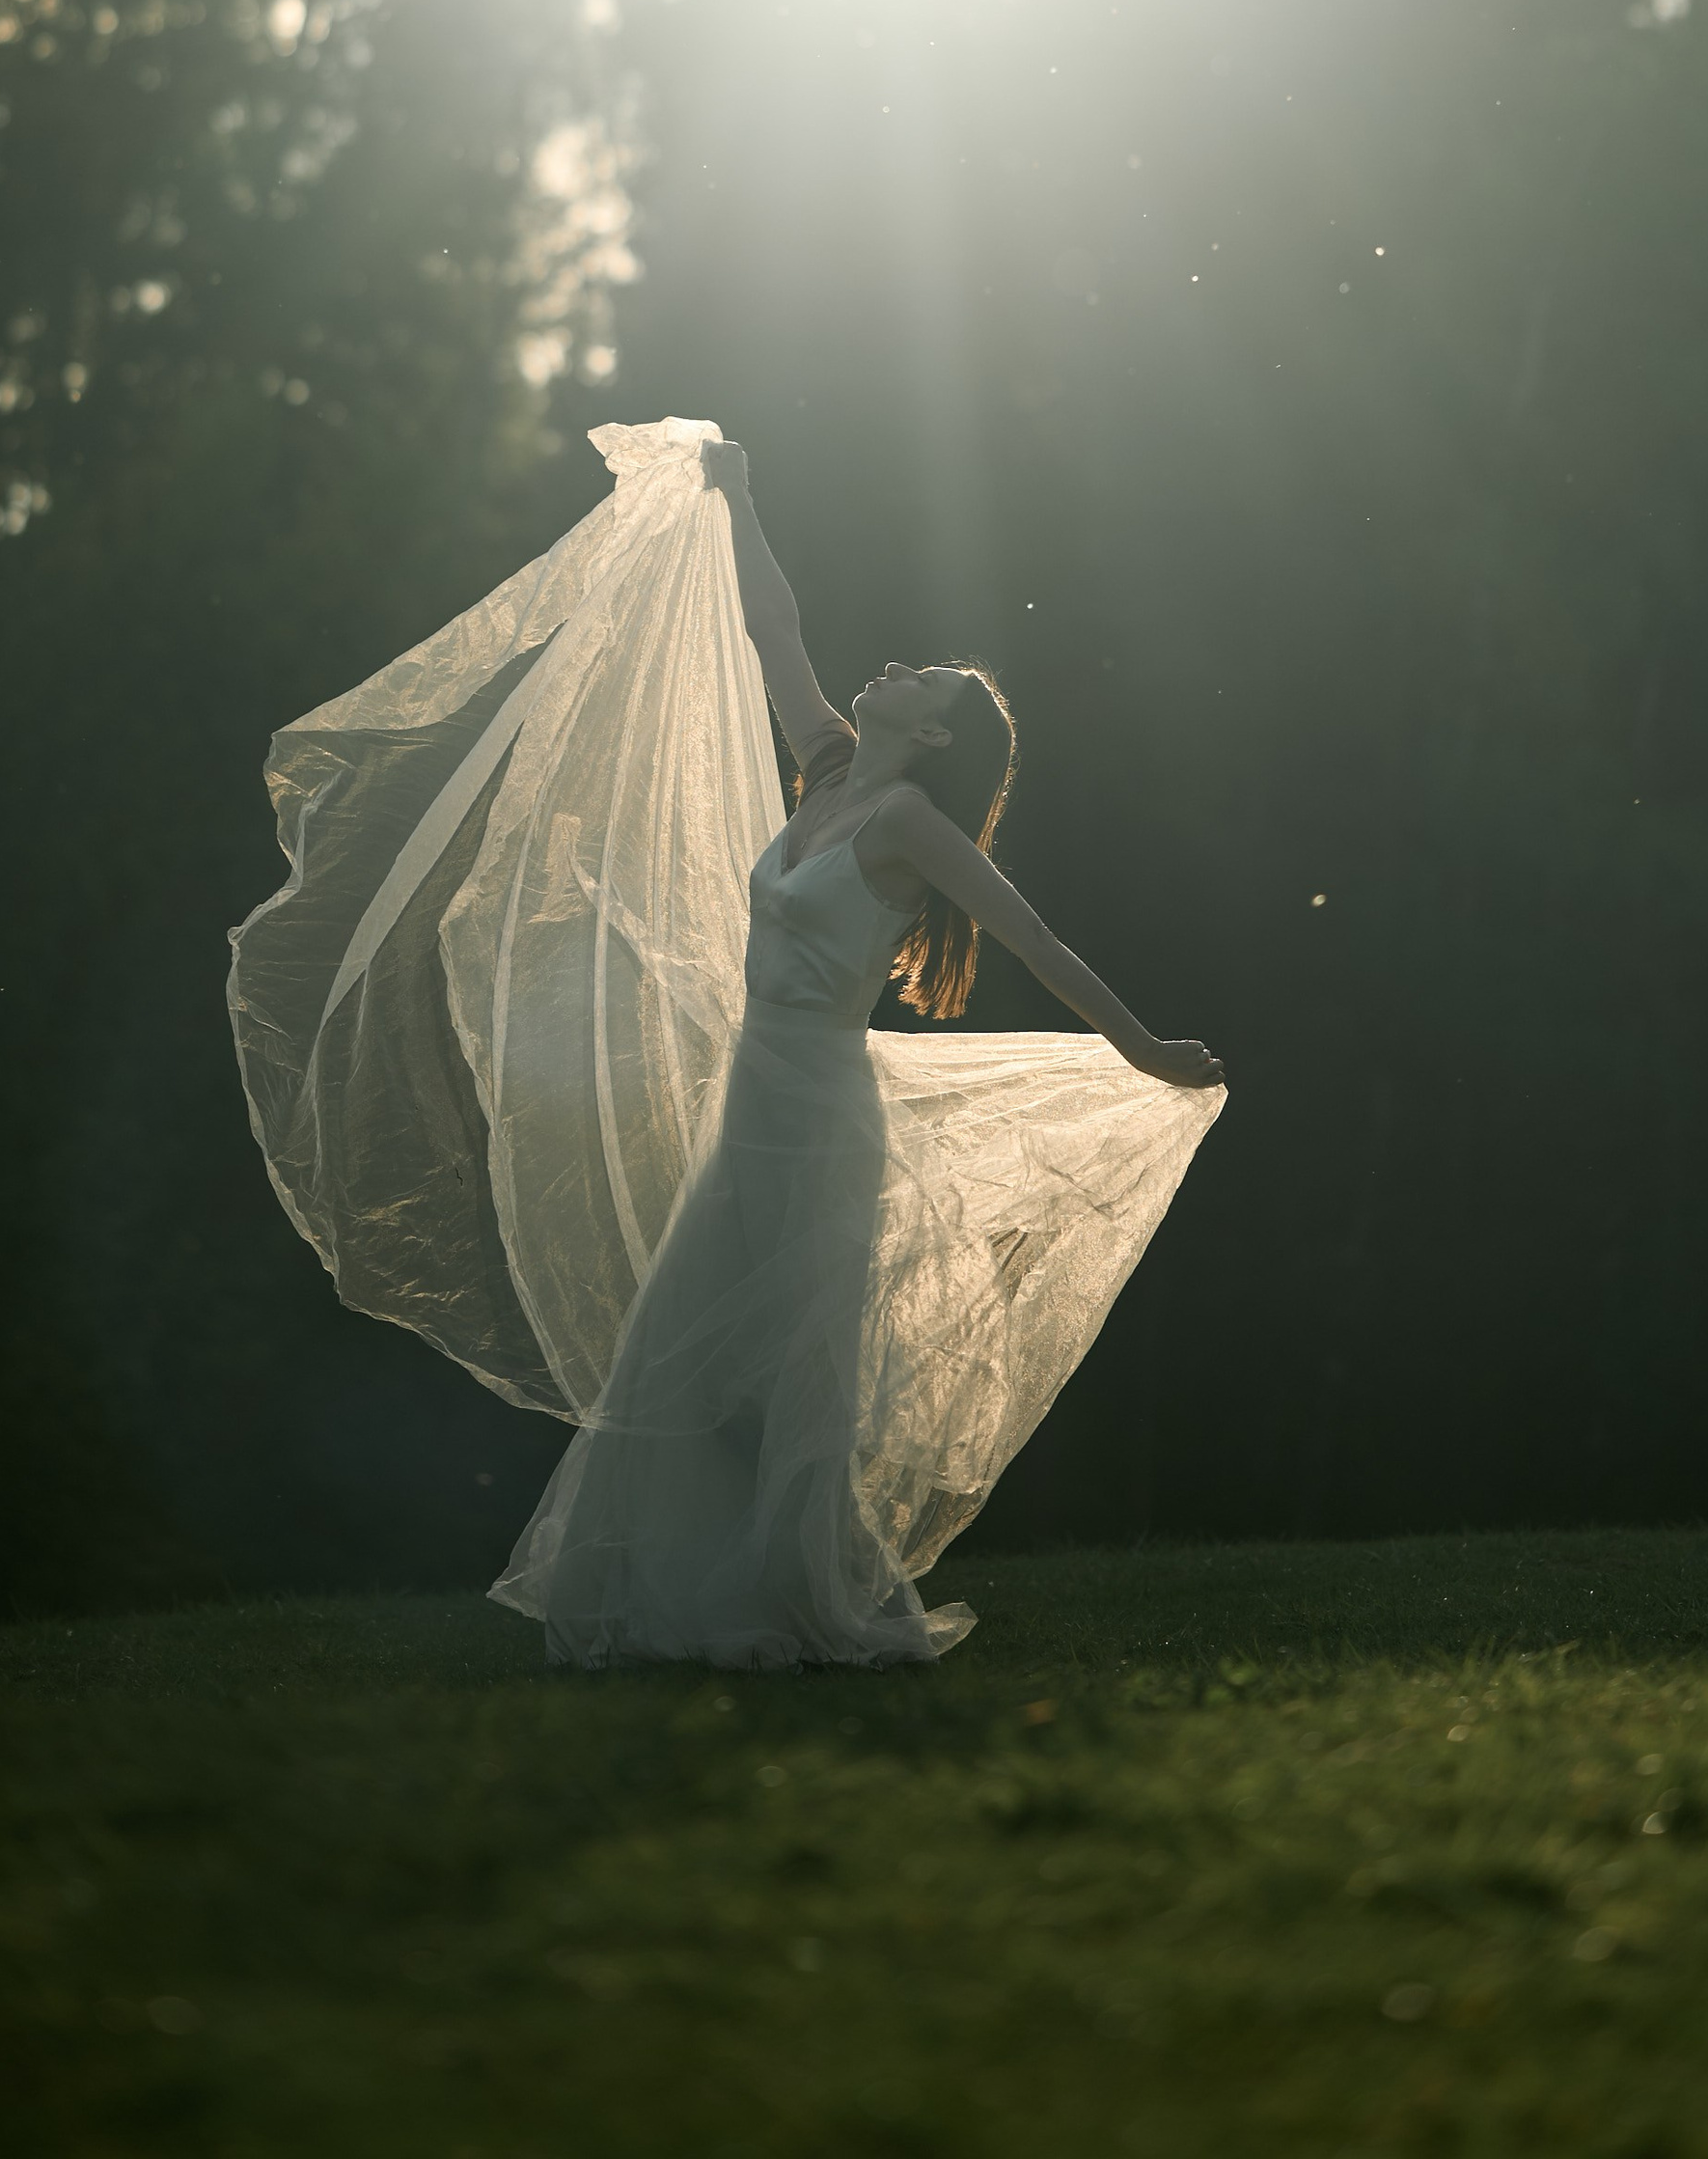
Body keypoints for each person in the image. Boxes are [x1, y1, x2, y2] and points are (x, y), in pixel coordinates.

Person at [490, 434, 1224, 1669]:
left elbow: (1032, 935)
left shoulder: (905, 821)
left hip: (817, 1116)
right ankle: (671, 1592)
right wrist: (738, 496)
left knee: (793, 1374)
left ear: (930, 734)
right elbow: (773, 630)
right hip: (754, 1096)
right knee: (682, 1349)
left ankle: (797, 1598)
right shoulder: (830, 770)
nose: (892, 667)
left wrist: (1145, 1049)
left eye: (919, 678)